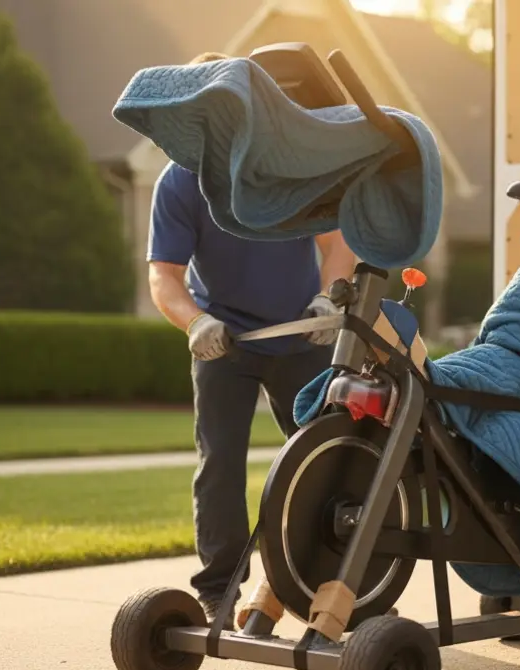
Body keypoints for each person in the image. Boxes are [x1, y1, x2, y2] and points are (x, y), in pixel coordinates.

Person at [146, 56, 360, 626]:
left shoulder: (286, 165)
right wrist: (195, 323)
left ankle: (324, 578)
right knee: (220, 464)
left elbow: (339, 242)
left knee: (322, 459)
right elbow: (163, 275)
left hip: (300, 332)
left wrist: (328, 299)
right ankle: (218, 591)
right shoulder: (180, 180)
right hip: (225, 340)